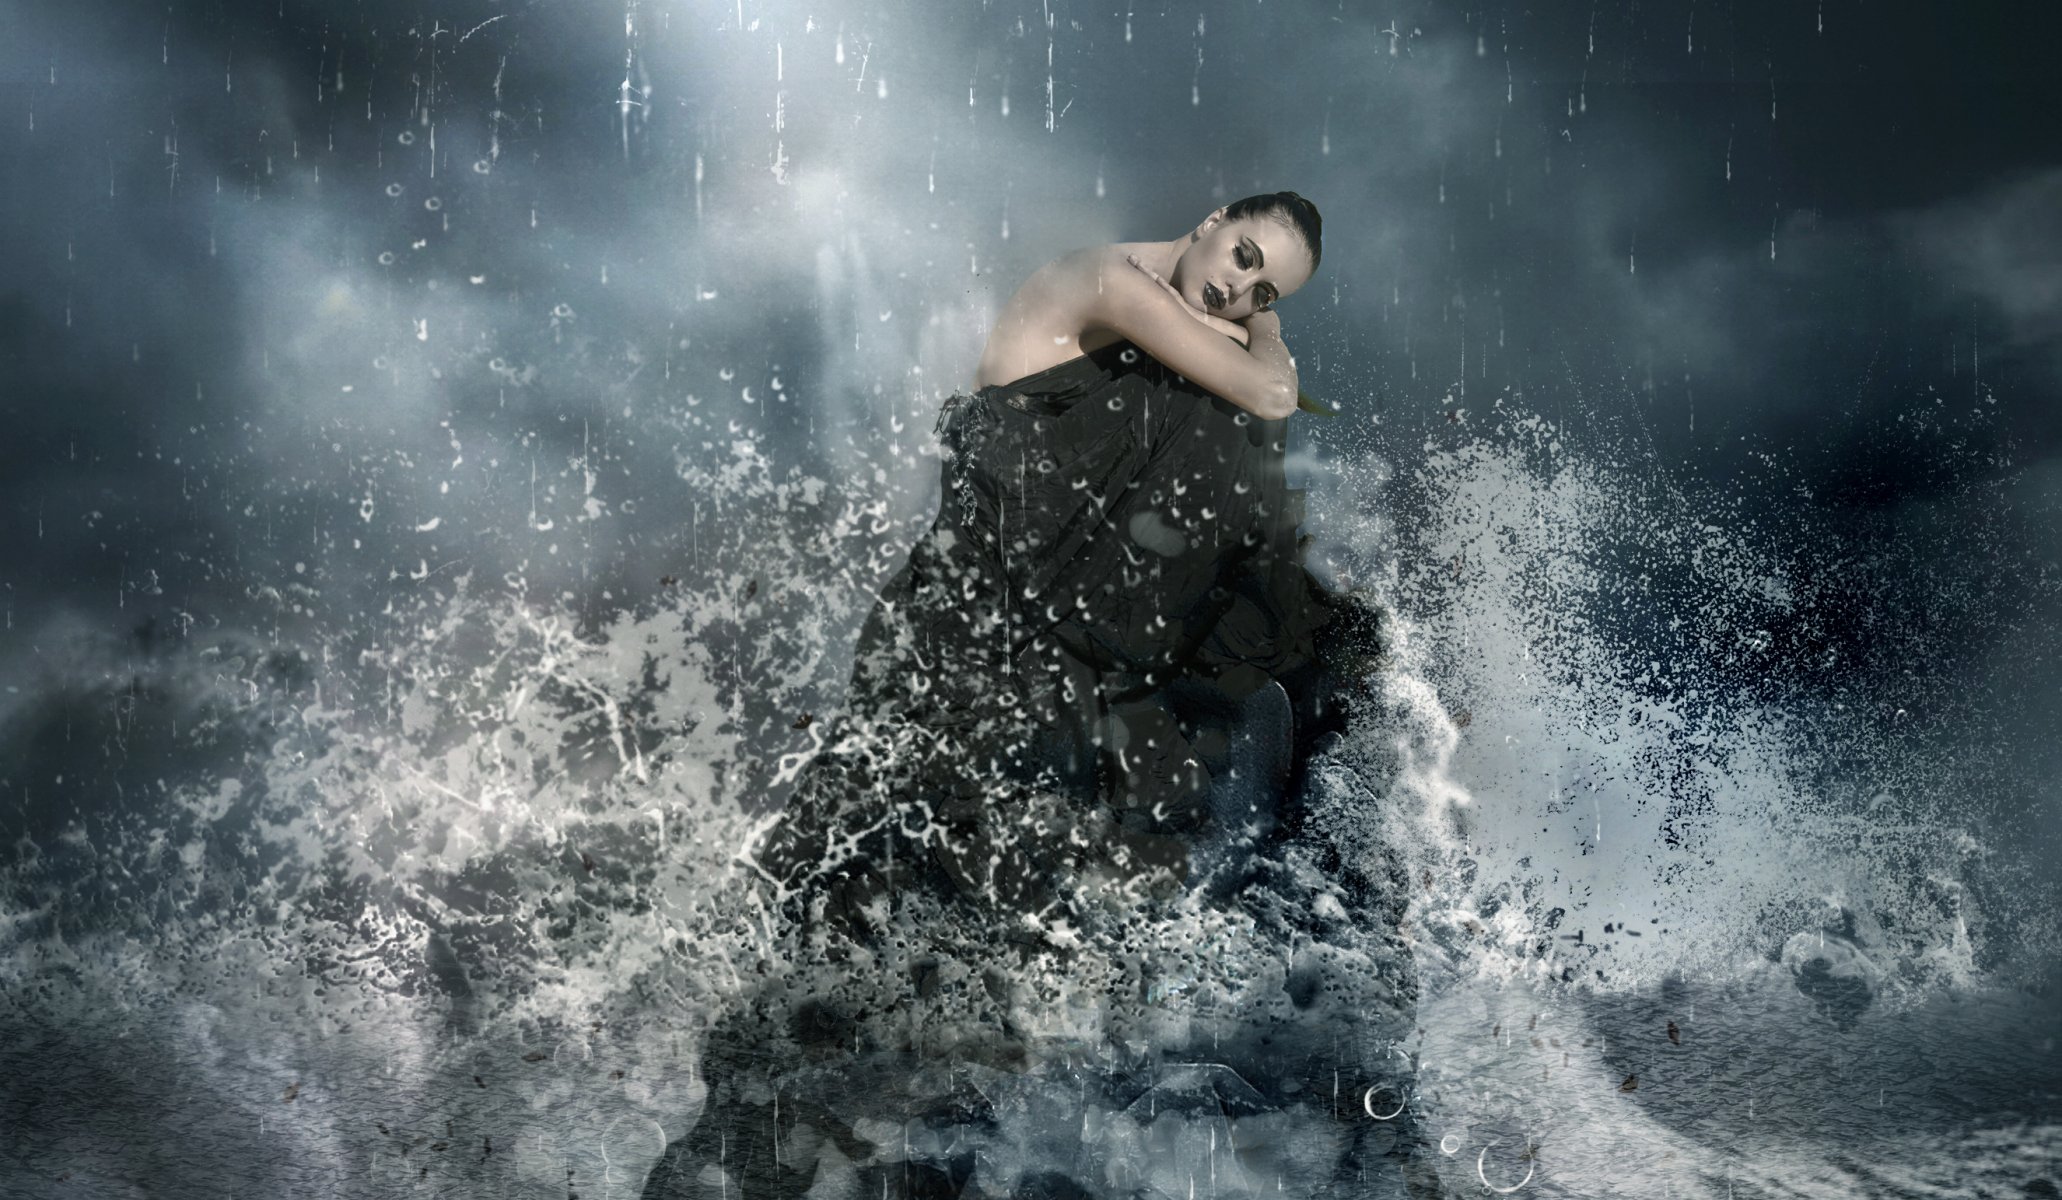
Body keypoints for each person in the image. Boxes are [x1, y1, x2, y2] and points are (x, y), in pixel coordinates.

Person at [641, 195, 1429, 1200]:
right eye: (1240, 257)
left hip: (1077, 672)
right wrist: (1264, 332)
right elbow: (1269, 393)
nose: (1237, 287)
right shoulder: (1106, 283)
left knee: (999, 966)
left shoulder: (1176, 339)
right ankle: (767, 1148)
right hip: (974, 645)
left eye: (1264, 286)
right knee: (879, 939)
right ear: (1212, 215)